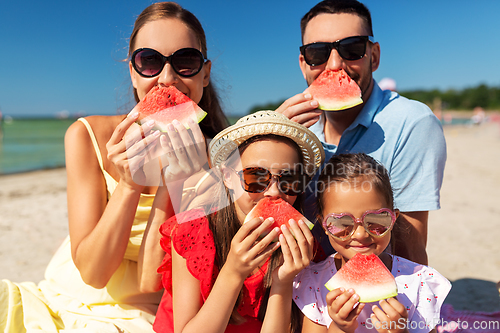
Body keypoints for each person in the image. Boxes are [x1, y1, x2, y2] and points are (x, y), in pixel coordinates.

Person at [0, 2, 228, 332]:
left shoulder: (219, 161)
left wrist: (178, 181)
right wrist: (129, 183)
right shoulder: (85, 135)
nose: (167, 78)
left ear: (204, 73)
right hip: (59, 294)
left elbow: (154, 280)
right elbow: (93, 273)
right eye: (150, 61)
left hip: (141, 315)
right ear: (133, 72)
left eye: (185, 61)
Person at [276, 0, 446, 266]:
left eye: (351, 49)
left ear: (374, 56)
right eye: (317, 53)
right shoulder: (289, 128)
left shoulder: (411, 122)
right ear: (303, 63)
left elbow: (407, 248)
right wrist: (271, 142)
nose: (334, 65)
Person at [151, 110, 325, 332]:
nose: (274, 192)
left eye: (289, 179)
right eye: (256, 177)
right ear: (227, 176)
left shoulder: (302, 247)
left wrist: (283, 281)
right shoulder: (192, 232)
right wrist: (233, 272)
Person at [293, 153, 451, 333]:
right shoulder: (314, 282)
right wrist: (339, 327)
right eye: (342, 223)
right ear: (324, 224)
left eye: (375, 220)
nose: (360, 234)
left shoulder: (419, 283)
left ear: (393, 219)